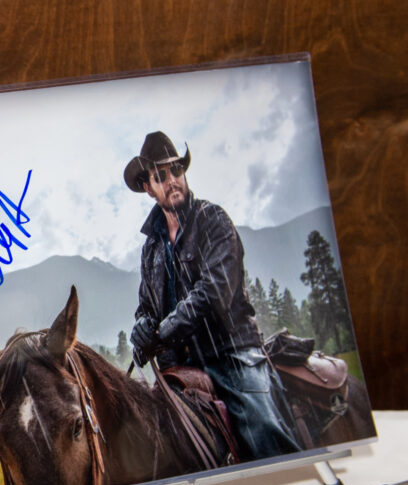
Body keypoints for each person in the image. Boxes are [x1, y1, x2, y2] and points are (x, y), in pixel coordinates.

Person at [123, 131, 301, 462]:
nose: (172, 180)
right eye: (161, 176)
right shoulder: (150, 249)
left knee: (264, 433)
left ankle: (291, 483)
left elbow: (215, 291)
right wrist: (142, 328)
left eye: (176, 171)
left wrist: (162, 332)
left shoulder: (213, 220)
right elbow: (146, 306)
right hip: (178, 368)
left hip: (231, 354)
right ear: (148, 188)